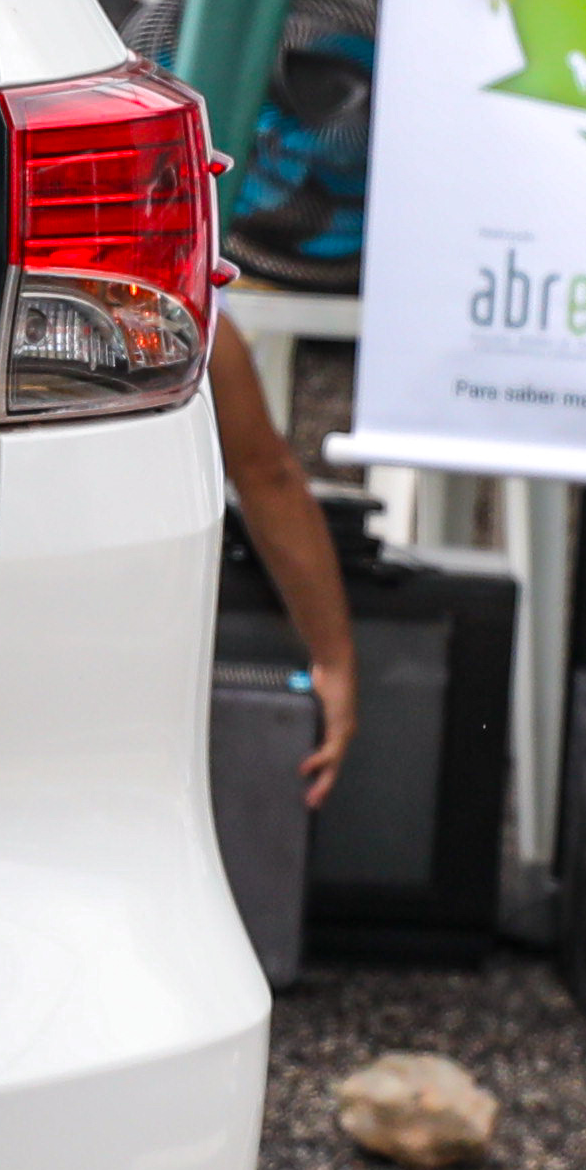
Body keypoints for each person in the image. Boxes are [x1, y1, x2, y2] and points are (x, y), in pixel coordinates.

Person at [209, 314, 362, 804]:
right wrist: (332, 661)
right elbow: (265, 477)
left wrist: (334, 660)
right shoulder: (170, 310)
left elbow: (267, 478)